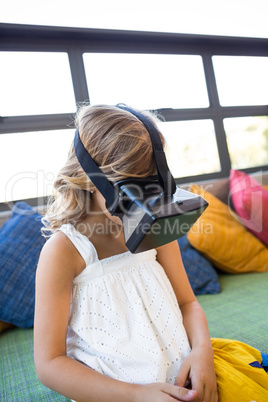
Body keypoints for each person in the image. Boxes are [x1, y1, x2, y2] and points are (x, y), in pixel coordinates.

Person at [34, 104, 268, 402]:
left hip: (189, 377)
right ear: (87, 174)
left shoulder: (155, 227)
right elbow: (49, 364)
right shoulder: (64, 251)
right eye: (133, 185)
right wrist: (135, 396)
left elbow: (187, 303)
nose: (148, 200)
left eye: (153, 184)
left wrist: (202, 353)